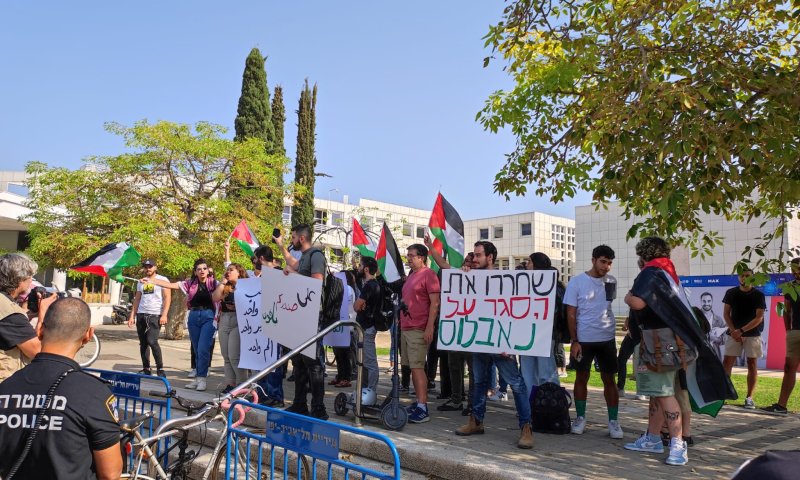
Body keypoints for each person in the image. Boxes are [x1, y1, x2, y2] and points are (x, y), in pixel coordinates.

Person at [0, 297, 122, 479]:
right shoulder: (94, 393)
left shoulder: (6, 387)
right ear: (88, 335)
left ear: (40, 330)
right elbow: (110, 474)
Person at [455, 241, 534, 449]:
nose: (474, 259)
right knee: (479, 382)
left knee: (516, 384)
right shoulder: (470, 276)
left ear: (490, 257)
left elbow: (515, 312)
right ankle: (476, 421)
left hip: (502, 344)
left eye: (478, 255)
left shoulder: (506, 280)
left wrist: (512, 342)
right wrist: (464, 275)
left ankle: (526, 427)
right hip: (480, 341)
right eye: (473, 255)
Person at [623, 237, 692, 466]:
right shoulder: (667, 272)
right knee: (658, 391)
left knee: (663, 394)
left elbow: (639, 303)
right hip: (669, 341)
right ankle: (653, 438)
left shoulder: (650, 272)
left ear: (643, 254)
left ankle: (677, 445)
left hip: (656, 343)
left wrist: (627, 297)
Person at [564, 245, 623, 439]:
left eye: (609, 263)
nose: (606, 266)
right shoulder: (577, 282)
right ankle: (580, 418)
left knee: (609, 379)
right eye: (603, 261)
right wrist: (575, 340)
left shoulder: (611, 281)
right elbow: (571, 313)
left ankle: (613, 421)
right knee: (582, 377)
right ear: (593, 260)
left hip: (606, 337)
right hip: (584, 339)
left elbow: (607, 305)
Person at [143, 258, 218, 392]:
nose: (202, 271)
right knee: (196, 349)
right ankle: (197, 379)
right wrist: (152, 280)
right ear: (195, 272)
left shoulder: (214, 283)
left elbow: (227, 285)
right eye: (199, 269)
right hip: (194, 316)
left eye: (204, 269)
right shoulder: (190, 284)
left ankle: (202, 379)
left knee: (203, 349)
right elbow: (172, 285)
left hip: (209, 316)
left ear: (208, 271)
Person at [282, 224, 329, 420]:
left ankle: (318, 407)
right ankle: (299, 403)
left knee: (313, 363)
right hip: (299, 314)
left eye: (293, 237)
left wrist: (294, 275)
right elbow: (292, 263)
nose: (291, 241)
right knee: (298, 361)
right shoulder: (304, 258)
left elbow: (316, 281)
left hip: (311, 315)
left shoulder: (316, 255)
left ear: (301, 238)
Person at [425, 240, 475, 415]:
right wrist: (431, 248)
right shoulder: (458, 275)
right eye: (467, 261)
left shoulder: (486, 279)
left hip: (474, 332)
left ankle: (473, 403)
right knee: (454, 364)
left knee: (473, 369)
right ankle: (456, 399)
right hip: (456, 330)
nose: (467, 264)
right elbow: (443, 264)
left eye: (471, 261)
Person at [400, 243, 440, 423]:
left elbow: (435, 303)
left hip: (418, 327)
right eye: (408, 255)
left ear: (421, 257)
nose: (408, 258)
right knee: (411, 366)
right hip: (406, 327)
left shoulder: (429, 275)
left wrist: (430, 326)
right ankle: (418, 402)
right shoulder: (411, 276)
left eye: (411, 255)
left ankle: (423, 408)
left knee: (417, 366)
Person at [722, 268, 766, 409]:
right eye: (742, 276)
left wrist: (741, 331)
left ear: (752, 278)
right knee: (727, 363)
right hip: (734, 334)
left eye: (747, 276)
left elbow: (759, 318)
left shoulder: (758, 295)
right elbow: (726, 314)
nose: (744, 278)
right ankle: (723, 394)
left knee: (752, 364)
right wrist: (734, 331)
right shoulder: (731, 293)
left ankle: (749, 398)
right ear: (738, 277)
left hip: (752, 335)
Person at [519, 252, 562, 397]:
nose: (527, 265)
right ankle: (531, 407)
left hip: (545, 335)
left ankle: (552, 405)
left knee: (546, 373)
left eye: (530, 262)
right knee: (528, 375)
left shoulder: (554, 287)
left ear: (537, 265)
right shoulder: (523, 283)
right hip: (526, 335)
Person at [251, 244, 286, 407]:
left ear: (262, 258)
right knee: (262, 360)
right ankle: (262, 393)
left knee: (274, 362)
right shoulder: (261, 276)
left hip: (276, 324)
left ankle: (275, 395)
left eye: (256, 258)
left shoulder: (280, 274)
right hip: (261, 325)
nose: (254, 261)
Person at [763, 257, 800, 414]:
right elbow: (786, 310)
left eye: (797, 268)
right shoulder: (790, 287)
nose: (795, 272)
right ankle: (781, 405)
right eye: (793, 269)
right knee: (789, 368)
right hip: (795, 331)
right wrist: (788, 330)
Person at [0, 252, 43, 382]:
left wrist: (27, 314)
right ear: (19, 278)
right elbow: (38, 352)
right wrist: (43, 315)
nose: (31, 281)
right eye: (30, 276)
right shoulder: (9, 312)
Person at [127, 259, 170, 378]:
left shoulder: (163, 280)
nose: (148, 269)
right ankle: (146, 368)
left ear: (155, 267)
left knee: (152, 341)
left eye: (150, 266)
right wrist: (132, 316)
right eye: (146, 267)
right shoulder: (141, 282)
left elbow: (167, 298)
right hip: (141, 314)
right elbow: (137, 299)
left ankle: (160, 368)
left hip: (155, 314)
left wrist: (164, 314)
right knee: (143, 343)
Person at [212, 261, 249, 393]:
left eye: (231, 269)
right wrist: (222, 283)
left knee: (234, 356)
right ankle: (230, 384)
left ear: (239, 273)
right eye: (227, 269)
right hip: (225, 319)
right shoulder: (225, 286)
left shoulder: (245, 286)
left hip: (239, 321)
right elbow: (215, 298)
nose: (228, 271)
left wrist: (237, 306)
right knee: (226, 355)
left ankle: (242, 386)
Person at [354, 256, 382, 392]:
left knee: (369, 362)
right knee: (364, 361)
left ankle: (370, 391)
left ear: (365, 269)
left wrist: (359, 304)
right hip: (365, 327)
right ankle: (364, 389)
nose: (358, 268)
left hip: (367, 327)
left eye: (360, 266)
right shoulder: (372, 284)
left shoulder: (370, 286)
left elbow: (356, 306)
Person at [701, 292, 727, 360]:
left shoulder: (719, 320)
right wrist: (708, 337)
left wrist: (715, 339)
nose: (706, 303)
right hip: (700, 353)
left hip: (715, 354)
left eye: (709, 301)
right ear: (701, 302)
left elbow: (724, 339)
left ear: (712, 302)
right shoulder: (695, 317)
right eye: (704, 301)